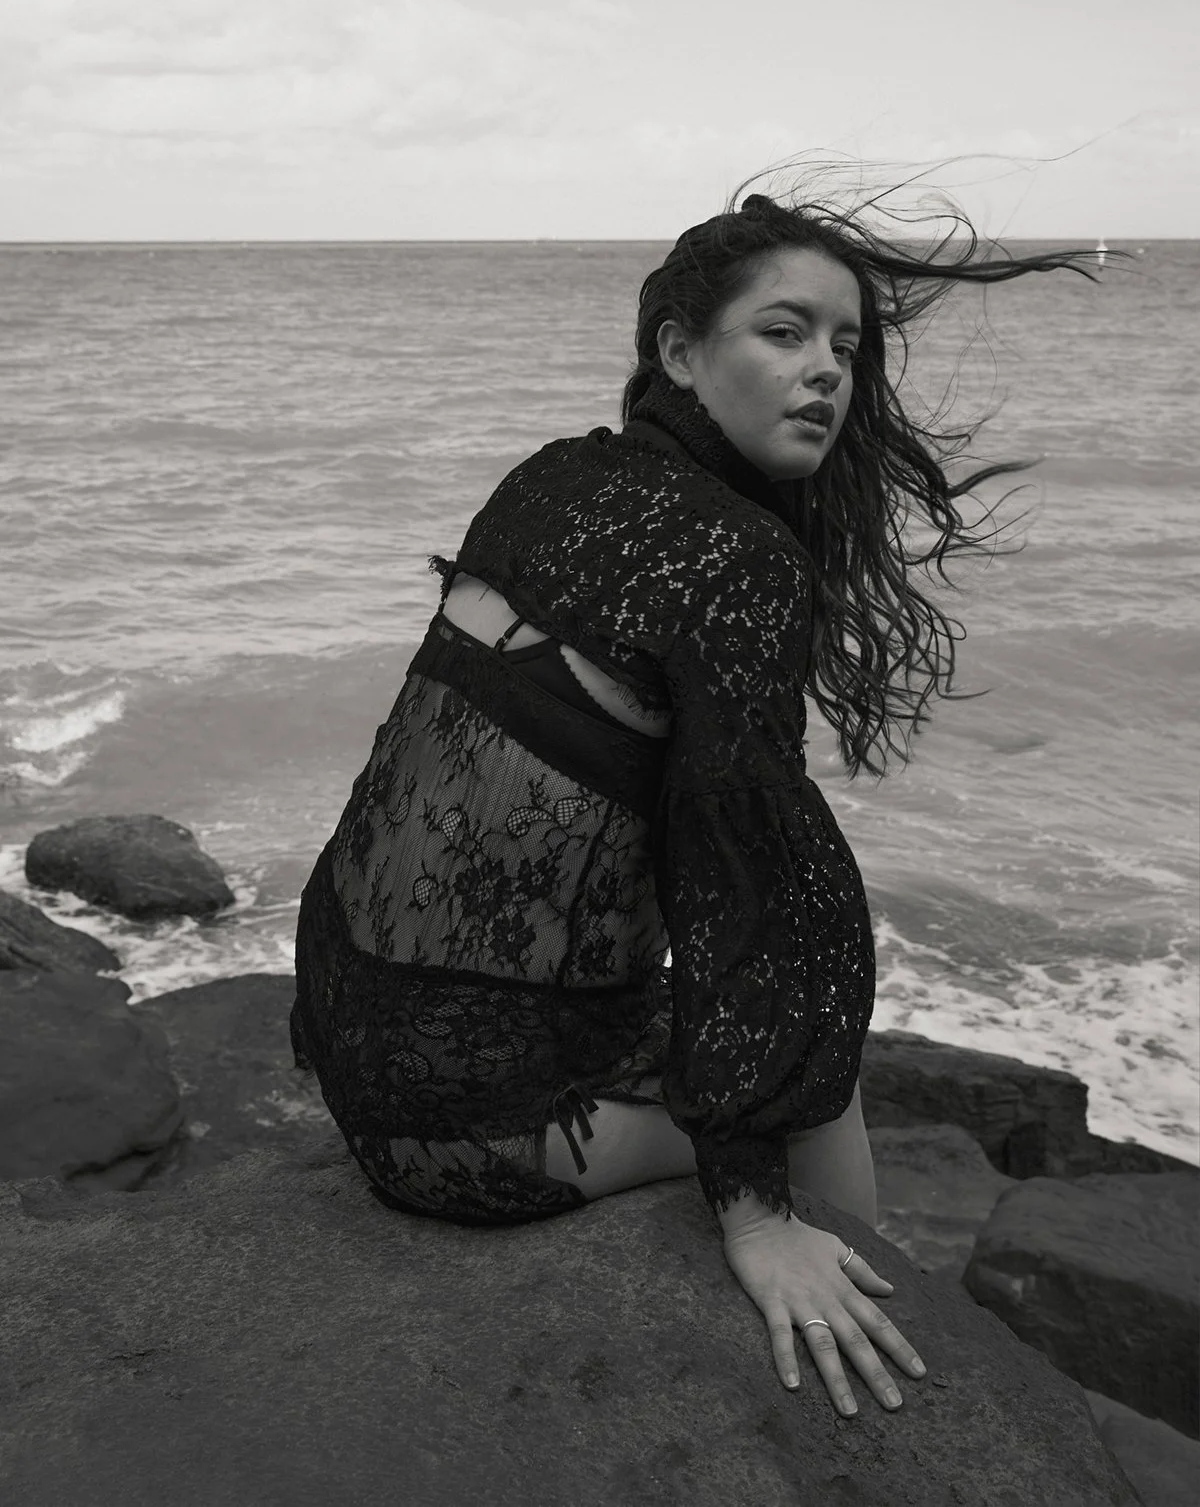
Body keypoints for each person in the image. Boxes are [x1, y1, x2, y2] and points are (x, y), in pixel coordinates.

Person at [289, 171, 1096, 1419]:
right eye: (785, 332)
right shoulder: (737, 554)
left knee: (755, 1006)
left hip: (347, 1043)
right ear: (678, 347)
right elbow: (751, 888)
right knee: (814, 1052)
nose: (827, 369)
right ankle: (890, 1380)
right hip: (472, 1134)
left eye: (846, 344)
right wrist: (753, 1207)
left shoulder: (553, 475)